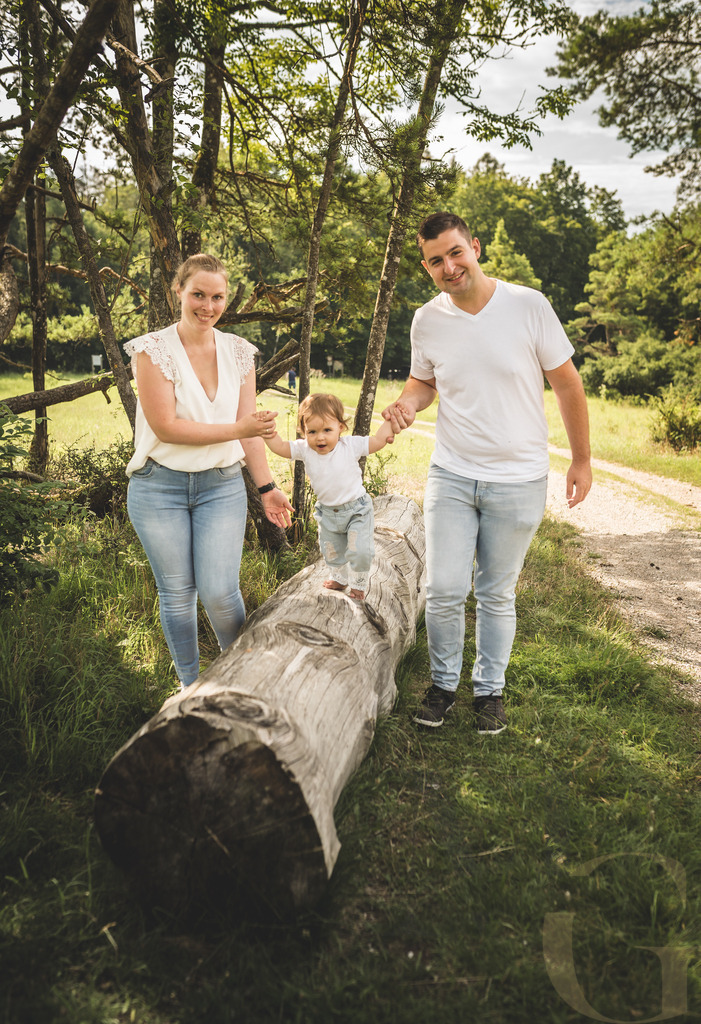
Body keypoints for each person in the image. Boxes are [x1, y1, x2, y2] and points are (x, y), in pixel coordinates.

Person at [383, 212, 592, 733]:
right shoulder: (426, 320)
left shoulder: (527, 305)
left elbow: (567, 384)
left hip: (519, 479)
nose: (449, 267)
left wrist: (582, 459)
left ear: (475, 247)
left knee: (497, 592)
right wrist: (408, 404)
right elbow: (422, 383)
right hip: (451, 474)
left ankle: (490, 693)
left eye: (456, 252)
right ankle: (442, 686)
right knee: (446, 587)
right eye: (435, 260)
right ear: (427, 267)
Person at [124, 253, 293, 689]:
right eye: (198, 294)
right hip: (158, 486)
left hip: (221, 486)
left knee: (220, 591)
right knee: (178, 597)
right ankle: (191, 689)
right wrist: (239, 428)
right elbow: (167, 427)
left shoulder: (239, 352)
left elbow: (250, 434)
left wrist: (268, 487)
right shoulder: (152, 350)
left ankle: (238, 682)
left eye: (217, 297)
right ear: (177, 292)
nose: (208, 306)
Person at [264, 392, 395, 600]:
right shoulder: (305, 449)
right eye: (312, 431)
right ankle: (340, 579)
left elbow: (379, 440)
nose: (320, 437)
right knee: (332, 552)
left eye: (327, 430)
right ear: (303, 431)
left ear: (340, 428)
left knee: (359, 550)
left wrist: (391, 420)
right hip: (327, 513)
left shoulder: (349, 445)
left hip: (357, 510)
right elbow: (280, 447)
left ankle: (359, 585)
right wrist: (269, 433)